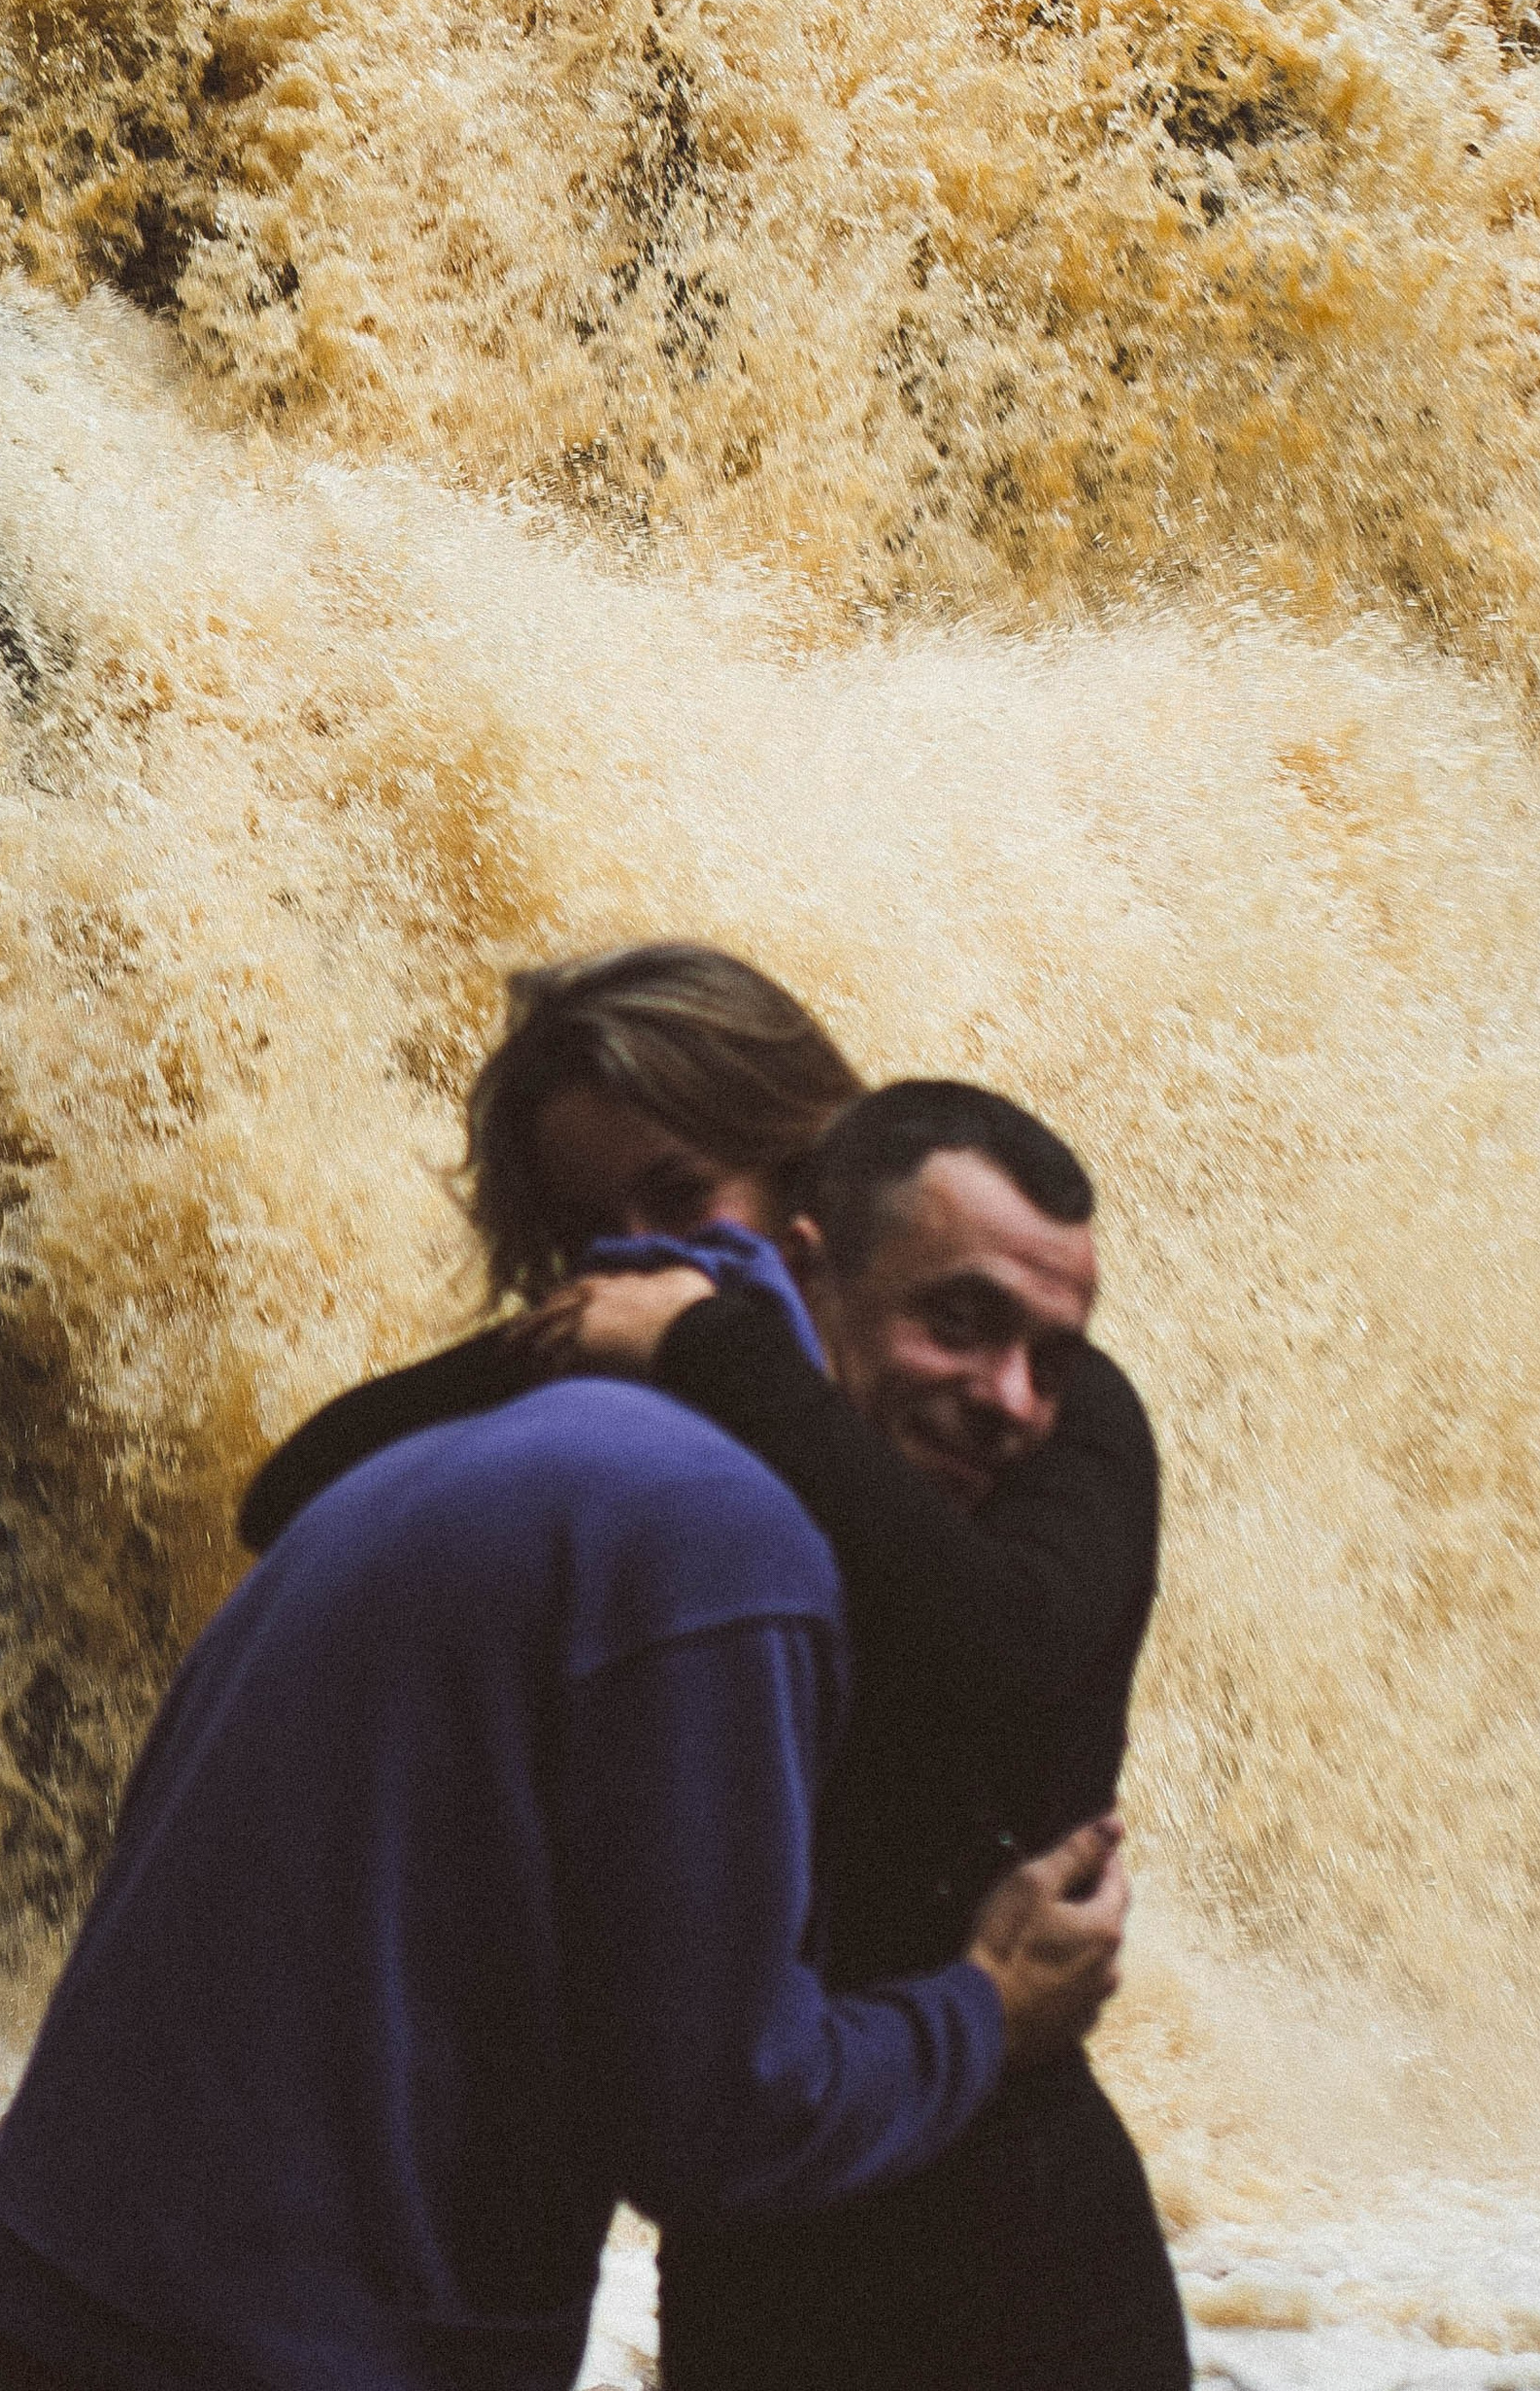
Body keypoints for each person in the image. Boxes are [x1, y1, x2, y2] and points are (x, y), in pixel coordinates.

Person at [243, 952, 1189, 2391]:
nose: (633, 1252)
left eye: (682, 1200)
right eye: (586, 1230)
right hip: (765, 2230)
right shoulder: (669, 1401)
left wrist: (705, 1338)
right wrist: (584, 1342)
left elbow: (1004, 1654)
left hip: (1020, 2245)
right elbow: (298, 1493)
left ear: (808, 1186)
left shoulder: (1035, 1399)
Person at [0, 1364, 1130, 2391]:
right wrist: (984, 2009)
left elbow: (1012, 1648)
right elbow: (721, 2123)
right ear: (818, 1258)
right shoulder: (691, 1497)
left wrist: (710, 1346)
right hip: (341, 2311)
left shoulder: (550, 1463)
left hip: (83, 2254)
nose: (1009, 1392)